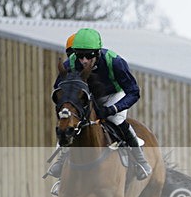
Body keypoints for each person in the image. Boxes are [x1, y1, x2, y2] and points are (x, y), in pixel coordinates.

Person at [46, 28, 152, 186]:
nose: (83, 60)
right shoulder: (70, 63)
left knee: (115, 118)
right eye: (79, 55)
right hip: (89, 96)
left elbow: (134, 92)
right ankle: (62, 163)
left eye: (88, 55)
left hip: (115, 94)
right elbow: (59, 90)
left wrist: (113, 108)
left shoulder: (115, 62)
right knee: (69, 123)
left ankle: (140, 160)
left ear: (98, 53)